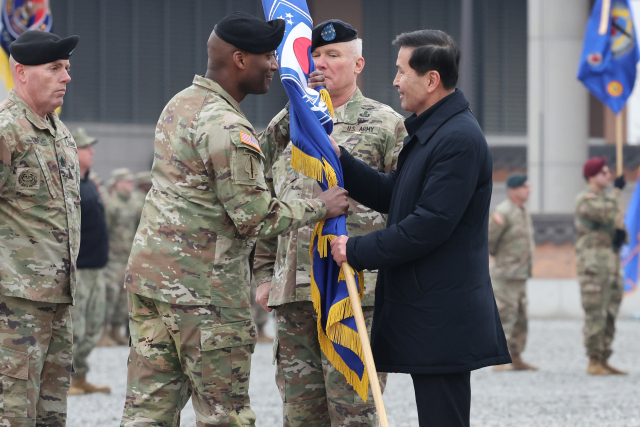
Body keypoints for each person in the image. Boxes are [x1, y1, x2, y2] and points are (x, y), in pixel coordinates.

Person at [120, 12, 349, 427]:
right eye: (267, 55)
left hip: (154, 283)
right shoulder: (227, 124)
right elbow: (255, 217)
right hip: (203, 294)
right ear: (240, 59)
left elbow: (230, 166)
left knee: (147, 413)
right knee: (225, 416)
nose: (276, 66)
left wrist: (291, 114)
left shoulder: (184, 104)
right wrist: (323, 206)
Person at [329, 30, 510, 427]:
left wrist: (354, 251)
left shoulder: (458, 138)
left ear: (431, 80)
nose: (394, 81)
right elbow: (399, 195)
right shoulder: (432, 132)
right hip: (427, 309)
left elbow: (429, 224)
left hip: (442, 315)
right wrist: (339, 159)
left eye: (401, 72)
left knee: (442, 419)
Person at [253, 19, 406, 426]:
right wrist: (264, 274)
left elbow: (402, 204)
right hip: (294, 290)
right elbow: (262, 192)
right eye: (314, 55)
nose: (321, 63)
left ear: (357, 65)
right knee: (301, 415)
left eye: (333, 56)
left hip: (353, 290)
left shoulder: (385, 123)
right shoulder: (287, 125)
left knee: (354, 412)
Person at [0, 30, 80, 427]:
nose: (66, 77)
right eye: (54, 68)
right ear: (22, 73)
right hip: (13, 309)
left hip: (57, 303)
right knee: (12, 414)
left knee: (51, 415)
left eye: (66, 68)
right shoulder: (6, 130)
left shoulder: (60, 134)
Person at [67, 128, 111, 395]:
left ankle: (80, 376)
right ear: (74, 151)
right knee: (77, 329)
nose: (92, 151)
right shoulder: (69, 182)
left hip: (97, 267)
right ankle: (66, 380)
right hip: (79, 268)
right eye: (86, 147)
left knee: (94, 326)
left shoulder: (90, 183)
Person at [575, 157, 627, 375]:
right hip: (594, 267)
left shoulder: (607, 199)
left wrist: (621, 235)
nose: (609, 175)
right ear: (592, 176)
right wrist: (617, 193)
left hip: (611, 265)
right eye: (604, 172)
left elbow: (616, 223)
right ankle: (593, 359)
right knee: (596, 313)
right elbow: (603, 214)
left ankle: (604, 356)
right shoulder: (585, 199)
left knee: (610, 312)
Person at [489, 174, 538, 371]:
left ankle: (515, 356)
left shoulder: (523, 210)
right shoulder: (503, 212)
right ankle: (499, 360)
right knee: (505, 315)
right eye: (525, 187)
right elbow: (490, 241)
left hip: (521, 273)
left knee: (520, 316)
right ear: (513, 189)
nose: (529, 190)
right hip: (506, 273)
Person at [100, 168, 137, 346]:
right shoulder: (111, 205)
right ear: (118, 184)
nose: (131, 185)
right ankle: (103, 333)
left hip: (127, 258)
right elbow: (104, 231)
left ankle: (116, 330)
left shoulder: (132, 205)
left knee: (123, 297)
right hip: (112, 259)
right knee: (110, 295)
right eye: (127, 182)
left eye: (131, 182)